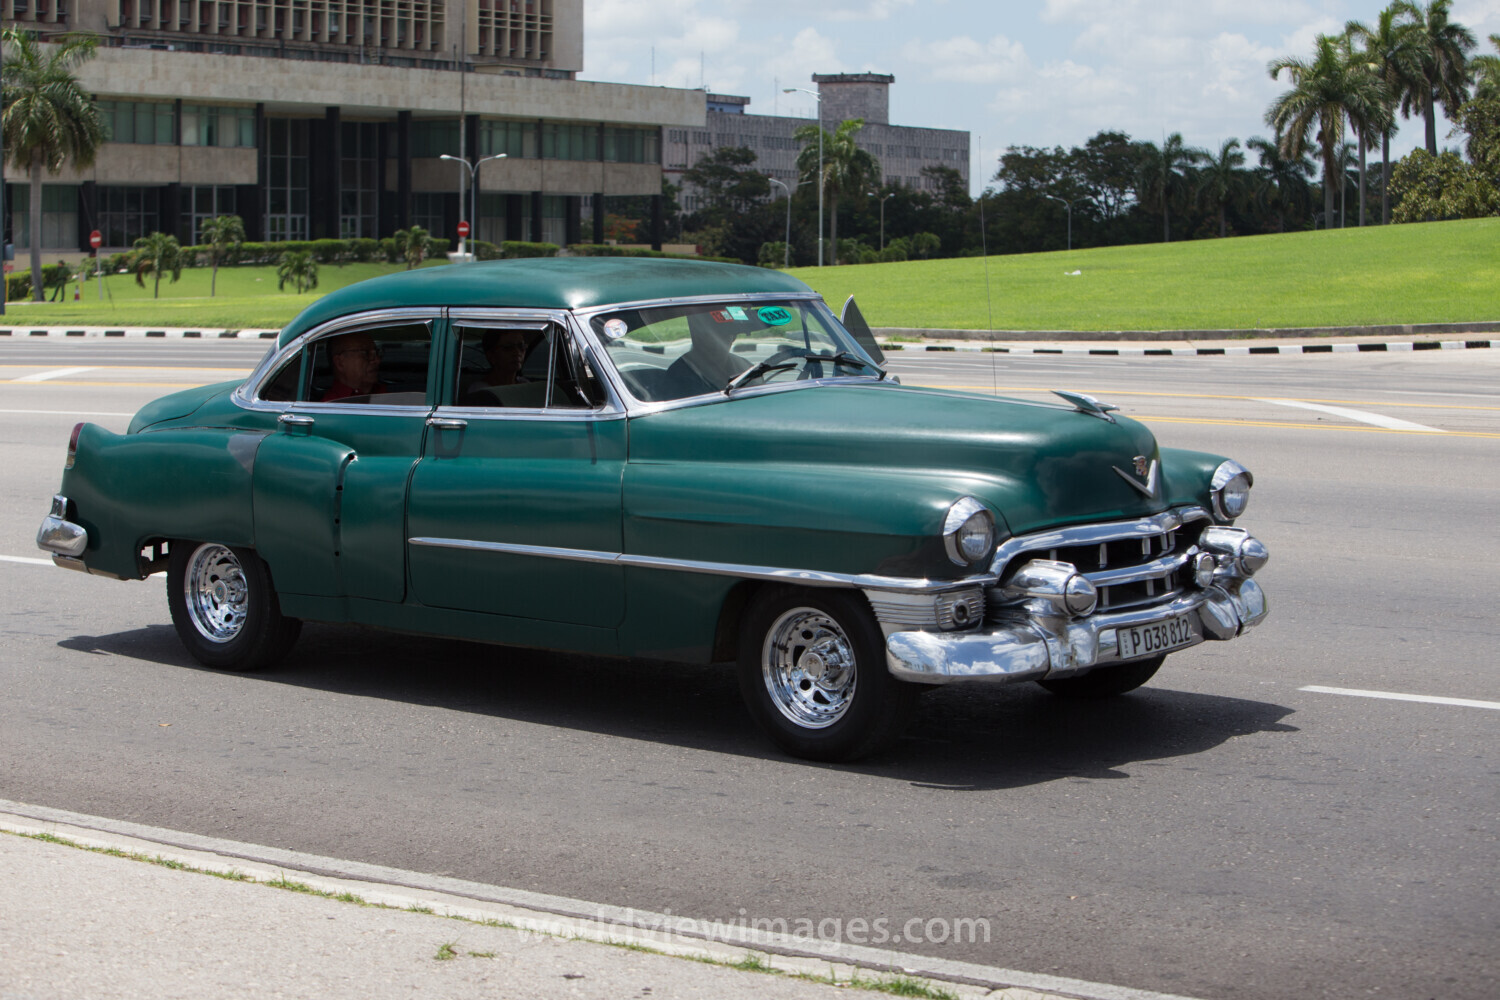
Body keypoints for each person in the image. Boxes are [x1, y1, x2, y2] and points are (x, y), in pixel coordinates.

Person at [662, 314, 751, 397]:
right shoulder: (678, 373)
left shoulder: (745, 368)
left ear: (734, 337)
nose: (716, 342)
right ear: (697, 336)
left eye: (723, 334)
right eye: (709, 335)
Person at [321, 331, 386, 401]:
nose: (377, 360)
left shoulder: (384, 393)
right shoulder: (330, 407)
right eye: (365, 353)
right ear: (340, 363)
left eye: (376, 352)